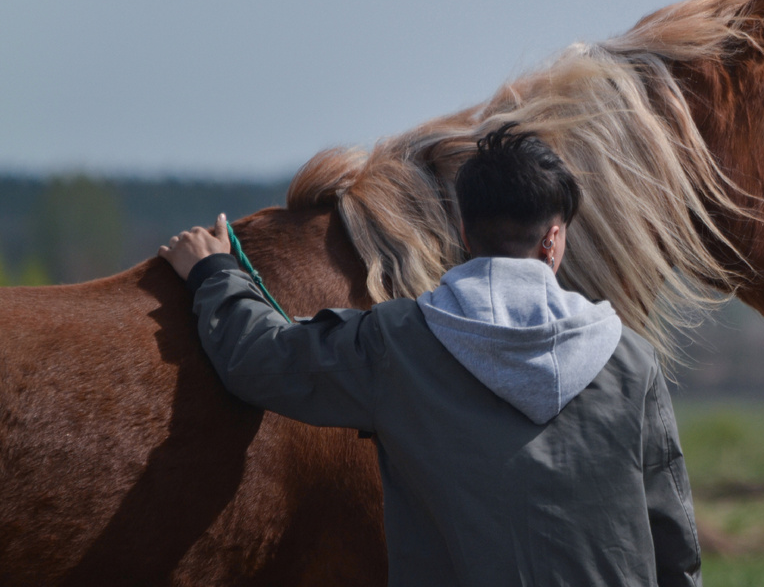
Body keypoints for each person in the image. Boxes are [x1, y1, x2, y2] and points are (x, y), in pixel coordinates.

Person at [159, 124, 702, 587]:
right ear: (553, 240)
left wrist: (215, 273)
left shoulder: (400, 342)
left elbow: (263, 361)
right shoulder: (631, 360)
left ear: (465, 231)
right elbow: (672, 537)